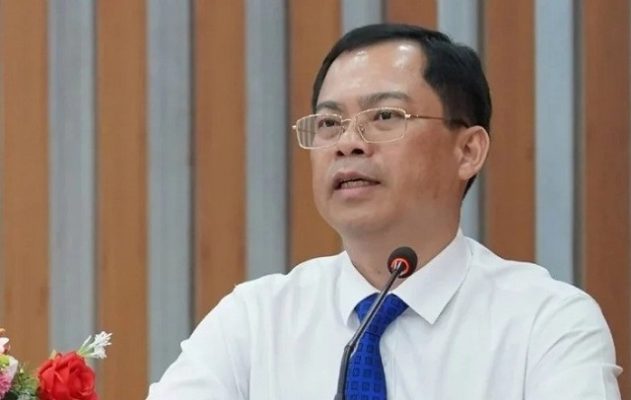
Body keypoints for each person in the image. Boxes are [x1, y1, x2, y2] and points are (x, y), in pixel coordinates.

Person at [147, 23, 621, 399]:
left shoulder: (546, 322)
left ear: (468, 151)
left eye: (385, 117)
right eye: (329, 123)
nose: (348, 143)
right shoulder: (255, 320)